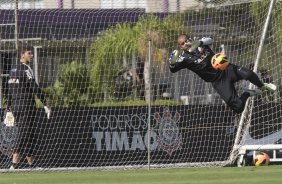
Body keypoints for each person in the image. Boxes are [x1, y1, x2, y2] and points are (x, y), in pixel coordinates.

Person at [169, 34, 277, 113]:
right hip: (218, 81)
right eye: (183, 43)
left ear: (190, 39)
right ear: (180, 47)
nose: (186, 43)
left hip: (226, 69)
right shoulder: (184, 58)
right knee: (238, 107)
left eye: (186, 40)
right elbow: (172, 69)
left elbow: (210, 39)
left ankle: (263, 86)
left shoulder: (198, 42)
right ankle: (247, 93)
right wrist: (171, 61)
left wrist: (200, 42)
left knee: (248, 74)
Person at [7, 46, 51, 169]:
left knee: (30, 134)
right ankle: (14, 164)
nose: (31, 56)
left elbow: (10, 90)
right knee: (24, 133)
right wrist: (45, 103)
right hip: (26, 106)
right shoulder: (26, 69)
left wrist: (9, 108)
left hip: (16, 106)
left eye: (32, 53)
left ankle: (32, 165)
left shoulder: (13, 70)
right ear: (22, 55)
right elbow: (34, 87)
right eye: (29, 53)